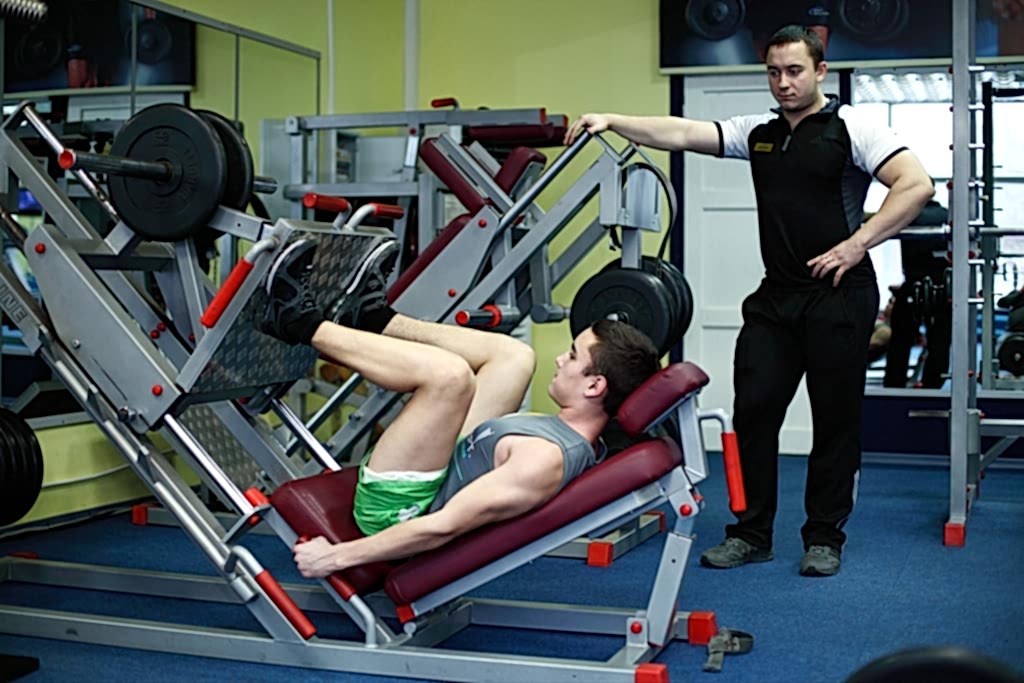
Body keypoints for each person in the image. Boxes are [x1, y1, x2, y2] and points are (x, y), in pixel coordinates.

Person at [565, 25, 934, 577]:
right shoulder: (758, 131)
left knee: (835, 422)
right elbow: (683, 132)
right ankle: (750, 533)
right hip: (776, 298)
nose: (784, 82)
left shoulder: (852, 127)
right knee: (754, 412)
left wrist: (858, 244)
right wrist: (614, 120)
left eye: (795, 71)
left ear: (820, 72)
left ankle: (824, 537)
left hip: (838, 297)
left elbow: (916, 184)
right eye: (774, 72)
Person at [257, 234, 661, 578]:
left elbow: (443, 527)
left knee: (450, 377)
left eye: (572, 356)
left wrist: (335, 557)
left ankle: (295, 323)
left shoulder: (542, 460)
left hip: (401, 509)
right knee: (515, 356)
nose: (560, 359)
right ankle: (376, 319)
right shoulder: (574, 434)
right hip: (449, 468)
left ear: (594, 385)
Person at [883, 195, 951, 389]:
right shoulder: (948, 216)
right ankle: (933, 382)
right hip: (942, 285)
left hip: (913, 283)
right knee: (940, 339)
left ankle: (894, 383)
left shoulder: (906, 215)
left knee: (900, 338)